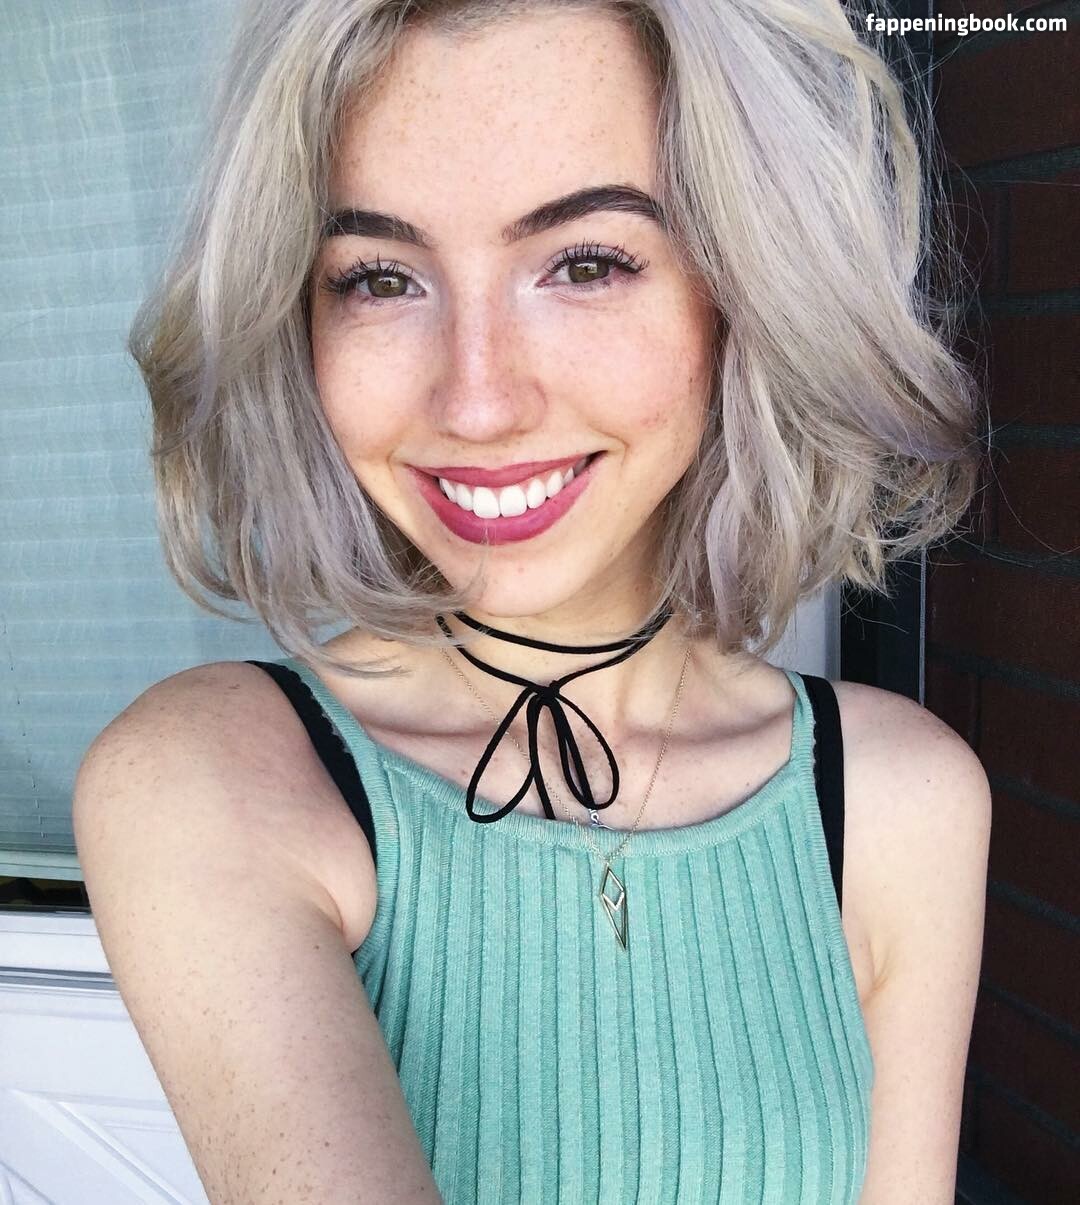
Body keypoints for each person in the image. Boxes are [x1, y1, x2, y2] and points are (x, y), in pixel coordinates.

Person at [73, 1, 992, 1201]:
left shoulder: (898, 802)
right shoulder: (216, 777)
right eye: (380, 278)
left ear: (746, 291)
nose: (476, 401)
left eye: (586, 263)